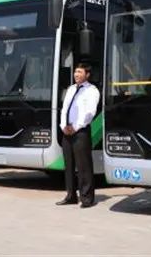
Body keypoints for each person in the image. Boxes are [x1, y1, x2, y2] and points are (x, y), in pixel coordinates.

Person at [56, 63, 100, 208]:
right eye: (75, 71)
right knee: (68, 165)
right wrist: (63, 126)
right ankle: (70, 196)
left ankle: (87, 198)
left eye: (80, 72)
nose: (76, 74)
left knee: (83, 165)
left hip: (80, 131)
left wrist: (75, 127)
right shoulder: (71, 89)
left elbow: (90, 112)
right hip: (67, 131)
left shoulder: (92, 91)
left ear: (87, 74)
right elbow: (64, 109)